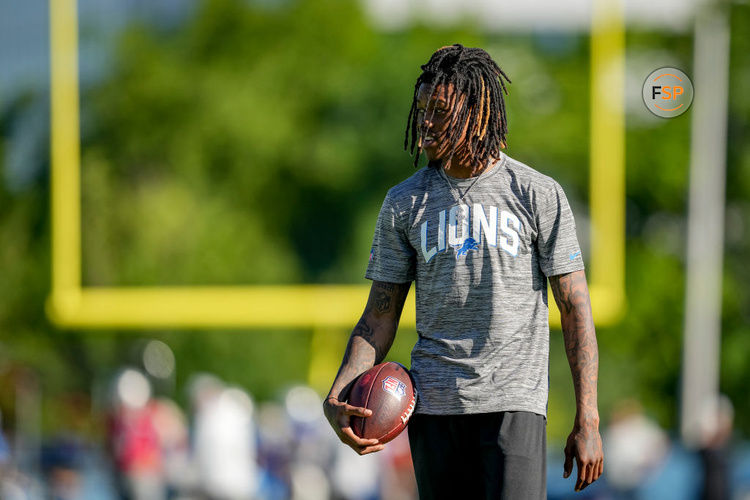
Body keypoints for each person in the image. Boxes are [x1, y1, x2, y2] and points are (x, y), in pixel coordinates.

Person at [323, 44, 603, 499]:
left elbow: (575, 307)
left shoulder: (537, 193)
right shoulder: (403, 202)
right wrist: (336, 396)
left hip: (514, 403)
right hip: (433, 407)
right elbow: (378, 317)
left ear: (477, 114)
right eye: (422, 111)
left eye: (439, 111)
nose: (425, 124)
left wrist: (587, 416)